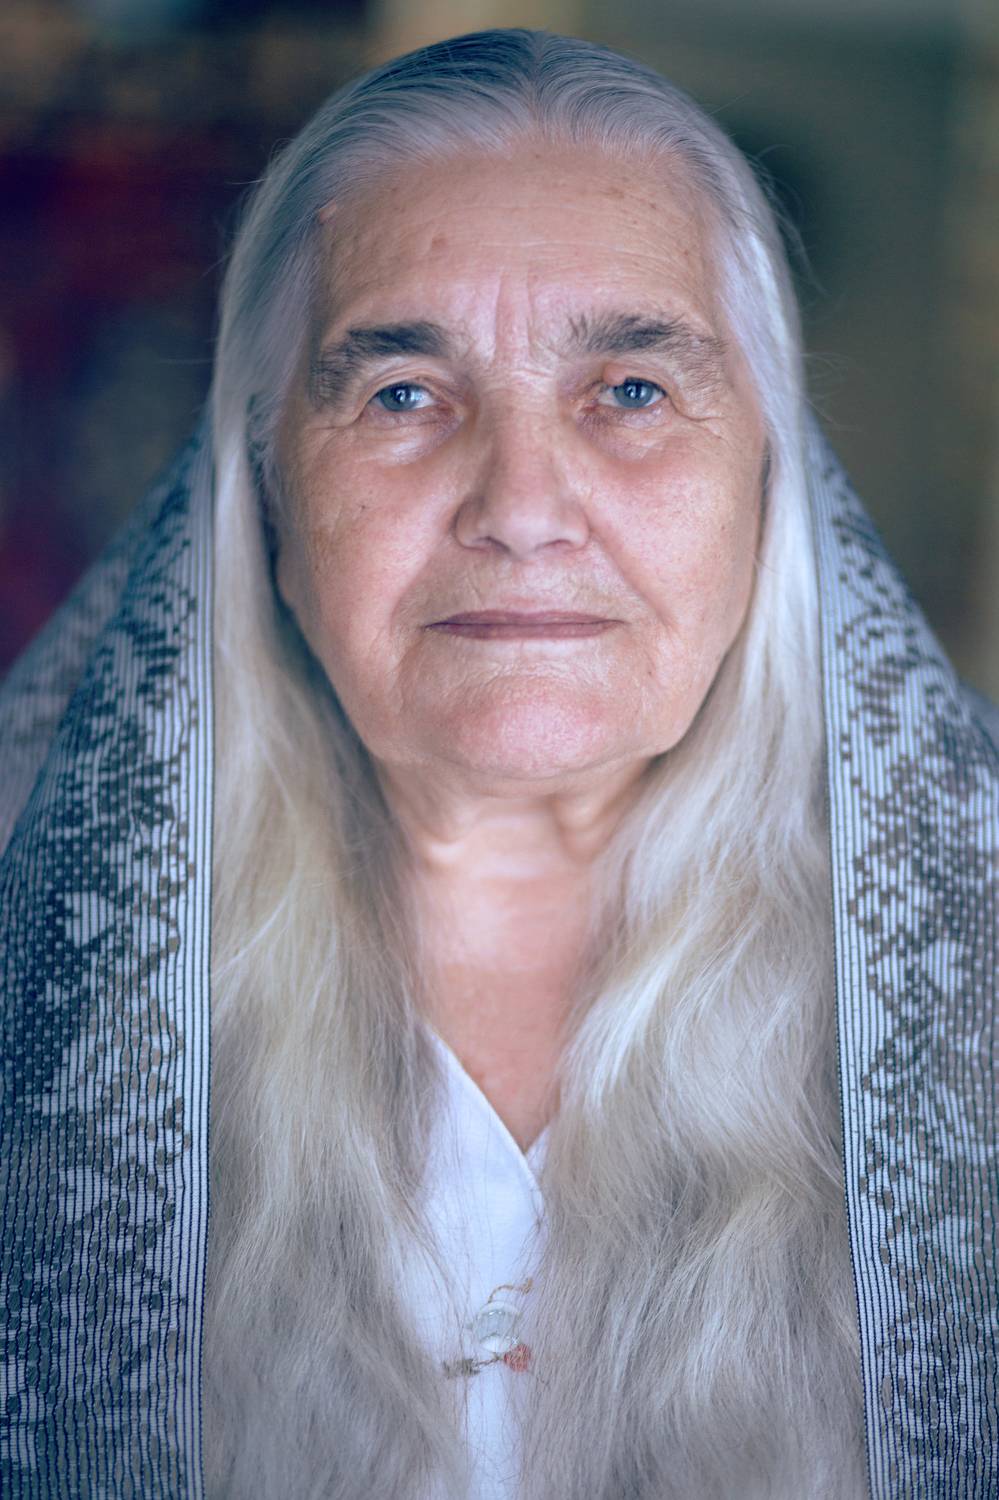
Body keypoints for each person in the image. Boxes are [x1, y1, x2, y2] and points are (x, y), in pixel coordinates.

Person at [1, 27, 996, 1500]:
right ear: (264, 492)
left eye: (633, 390)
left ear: (770, 484)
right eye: (403, 393)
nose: (523, 508)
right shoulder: (39, 957)